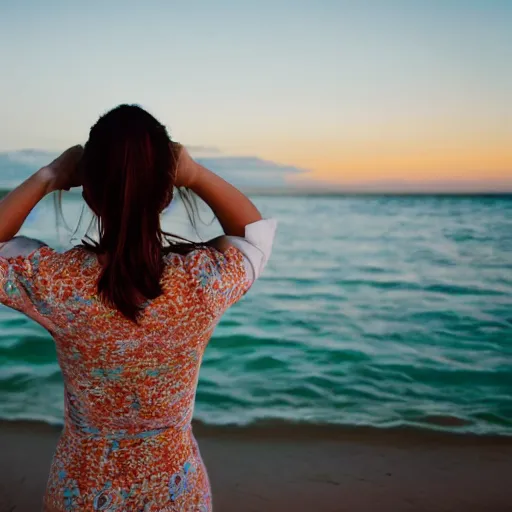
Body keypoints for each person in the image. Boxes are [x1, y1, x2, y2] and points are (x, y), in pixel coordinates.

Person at [0, 104, 277, 511]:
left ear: (89, 195)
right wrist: (195, 173)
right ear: (167, 194)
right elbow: (254, 239)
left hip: (81, 492)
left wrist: (50, 176)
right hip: (176, 492)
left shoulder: (60, 282)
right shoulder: (199, 282)